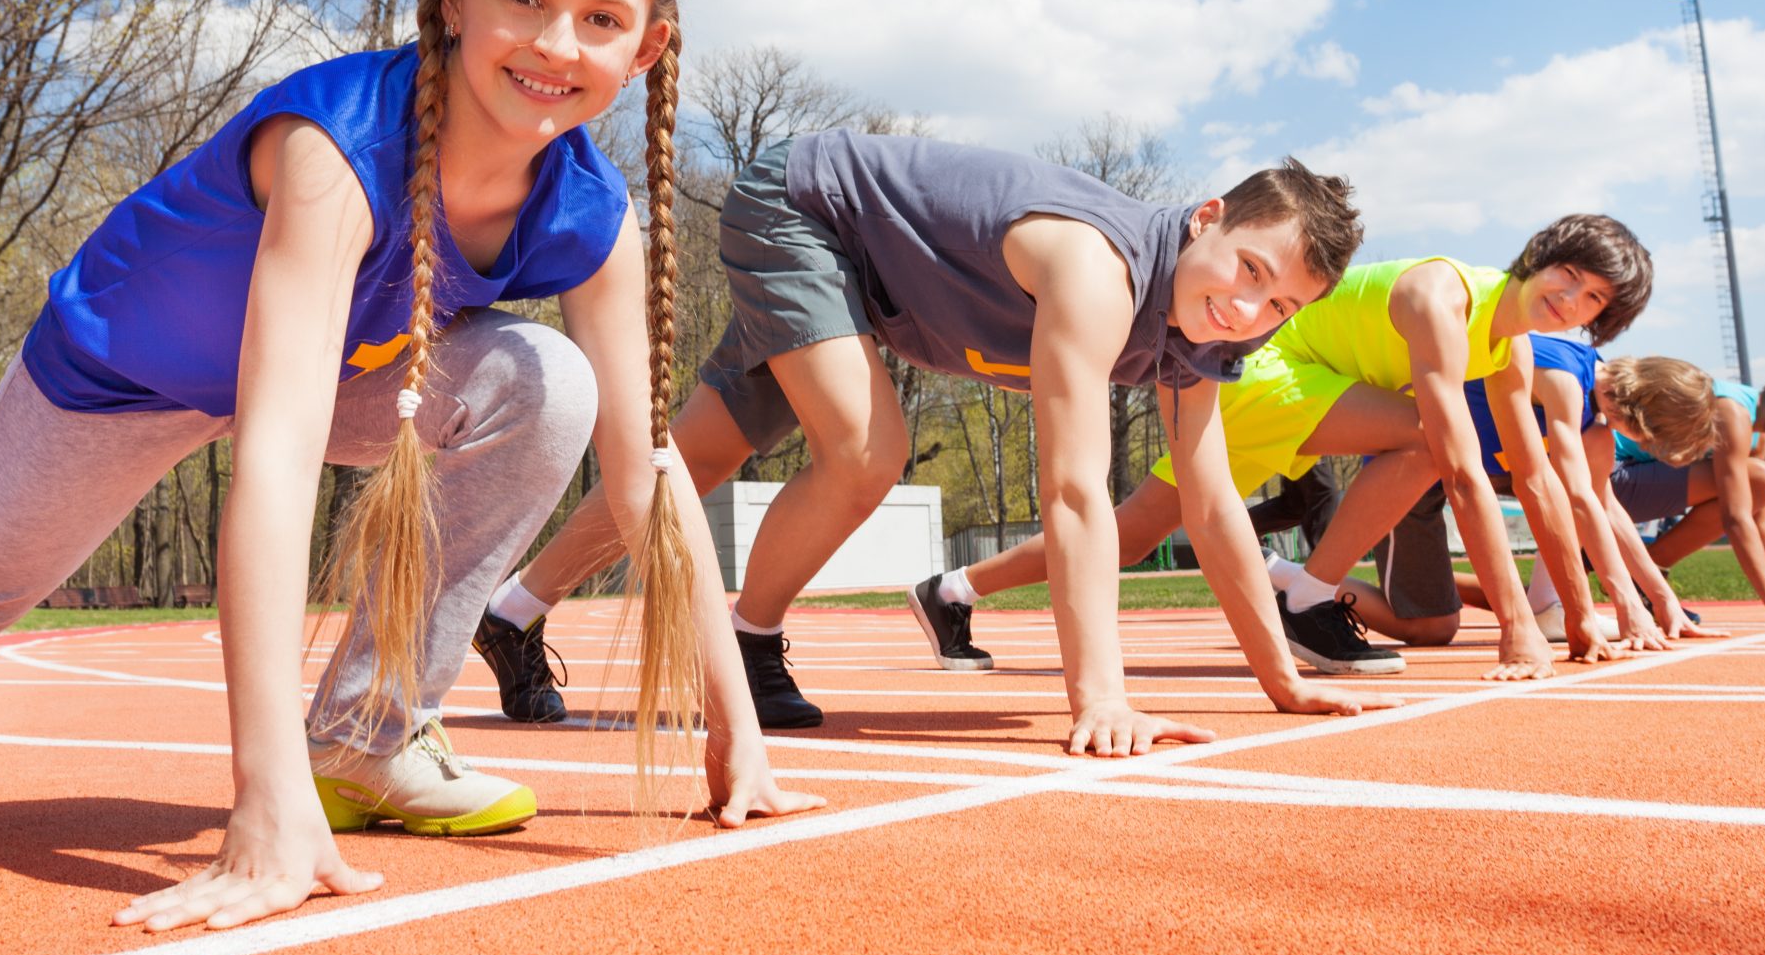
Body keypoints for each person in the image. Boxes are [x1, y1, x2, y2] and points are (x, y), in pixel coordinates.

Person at [0, 0, 820, 933]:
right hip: (123, 374)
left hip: (345, 378)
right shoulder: (334, 151)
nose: (554, 42)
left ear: (646, 48)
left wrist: (736, 731)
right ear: (451, 2)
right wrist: (262, 803)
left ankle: (368, 735)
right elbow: (276, 460)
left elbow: (646, 471)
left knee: (546, 384)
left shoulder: (591, 215)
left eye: (601, 19)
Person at [474, 135, 1398, 753]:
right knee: (867, 452)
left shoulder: (1206, 338)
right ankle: (750, 641)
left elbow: (1210, 498)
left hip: (871, 283)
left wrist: (1281, 677)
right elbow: (1076, 494)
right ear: (1205, 219)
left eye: (1280, 306)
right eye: (1249, 269)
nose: (1248, 309)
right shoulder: (1099, 271)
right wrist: (1101, 696)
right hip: (808, 210)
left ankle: (511, 610)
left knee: (697, 455)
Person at [897, 217, 1654, 685]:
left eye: (1592, 300)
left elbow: (1541, 481)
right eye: (1569, 275)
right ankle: (1309, 592)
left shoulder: (1515, 349)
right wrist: (1521, 623)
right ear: (1541, 254)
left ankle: (953, 588)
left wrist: (1584, 614)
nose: (1571, 298)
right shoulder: (1443, 298)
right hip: (1270, 365)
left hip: (1319, 385)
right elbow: (1463, 471)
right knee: (1428, 442)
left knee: (1134, 528)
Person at [903, 460, 1345, 674]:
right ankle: (1306, 595)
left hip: (1283, 388)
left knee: (1123, 540)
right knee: (1115, 536)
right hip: (1263, 392)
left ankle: (951, 590)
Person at [1440, 345, 1718, 647]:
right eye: (1652, 437)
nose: (1646, 445)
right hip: (1419, 456)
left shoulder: (1595, 420)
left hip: (1461, 468)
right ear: (1643, 414)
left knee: (1433, 625)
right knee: (1430, 628)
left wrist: (1663, 599)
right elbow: (1577, 498)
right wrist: (1628, 604)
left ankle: (1546, 604)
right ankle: (1546, 604)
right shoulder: (1566, 378)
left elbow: (1607, 507)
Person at [1613, 354, 1765, 629]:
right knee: (1760, 479)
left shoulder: (1757, 430)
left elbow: (1761, 518)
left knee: (1758, 484)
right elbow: (1736, 517)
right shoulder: (1732, 411)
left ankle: (1646, 575)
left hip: (1630, 480)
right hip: (1607, 479)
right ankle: (1644, 572)